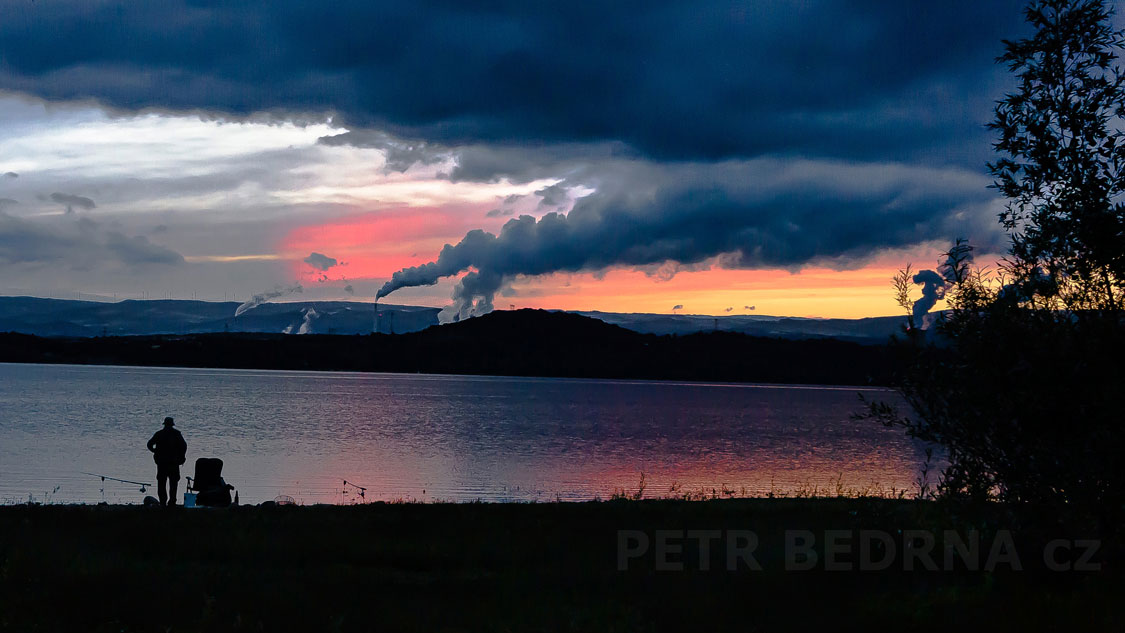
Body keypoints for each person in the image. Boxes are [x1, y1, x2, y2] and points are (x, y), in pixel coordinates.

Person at [147, 417, 187, 507]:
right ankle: (172, 502)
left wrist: (154, 451)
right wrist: (182, 457)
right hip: (173, 463)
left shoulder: (159, 434)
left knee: (162, 483)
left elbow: (149, 444)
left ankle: (163, 502)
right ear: (172, 424)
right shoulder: (177, 434)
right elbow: (184, 446)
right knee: (173, 483)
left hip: (162, 463)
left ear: (164, 424)